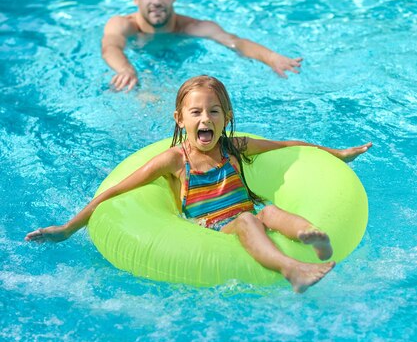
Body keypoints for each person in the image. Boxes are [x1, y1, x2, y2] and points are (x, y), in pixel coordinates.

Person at [25, 75, 372, 293]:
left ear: (227, 117)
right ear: (180, 118)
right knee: (251, 219)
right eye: (196, 113)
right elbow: (115, 191)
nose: (205, 118)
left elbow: (287, 146)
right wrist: (68, 228)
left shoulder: (233, 147)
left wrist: (336, 153)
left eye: (214, 111)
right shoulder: (175, 161)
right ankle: (291, 268)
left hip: (250, 214)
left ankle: (314, 235)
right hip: (214, 230)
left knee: (270, 212)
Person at [102, 0, 303, 92]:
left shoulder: (193, 27)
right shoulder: (124, 24)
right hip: (141, 66)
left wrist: (271, 57)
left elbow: (235, 42)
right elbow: (110, 47)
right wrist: (126, 69)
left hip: (182, 64)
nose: (156, 1)